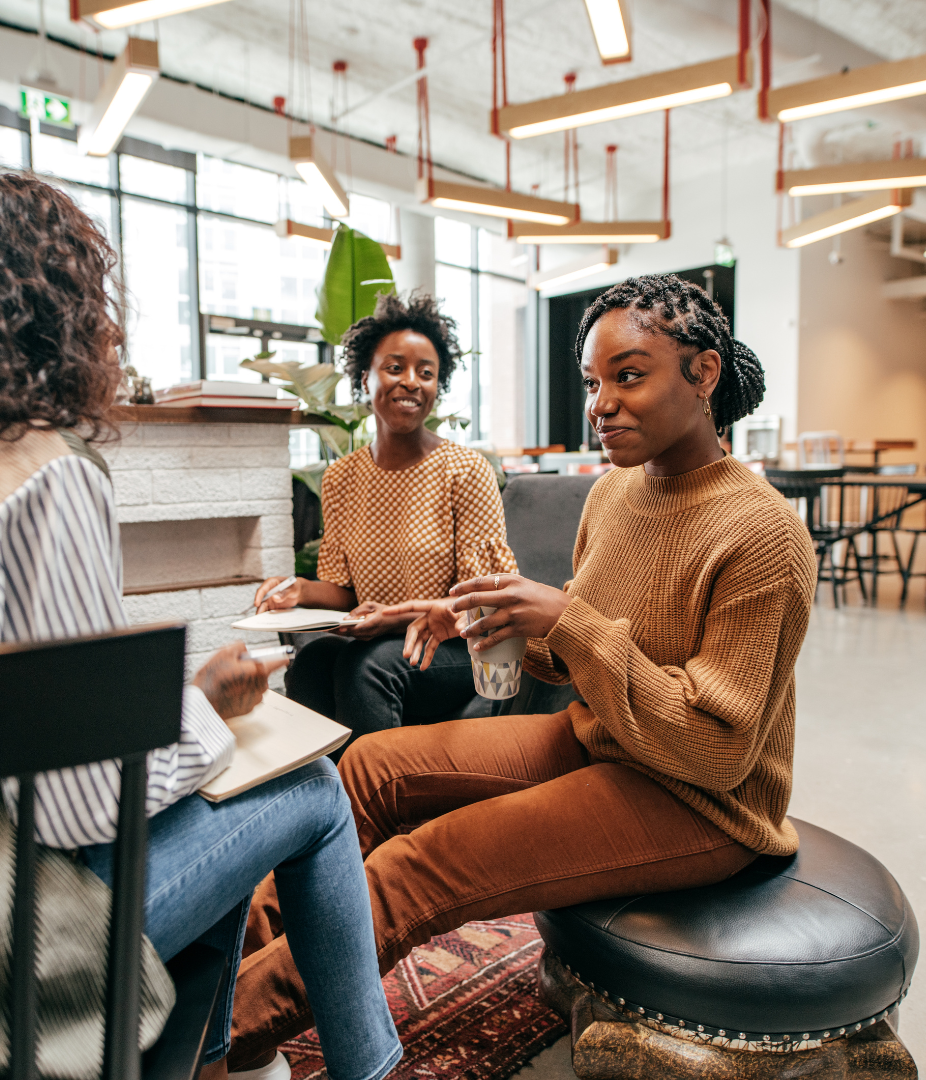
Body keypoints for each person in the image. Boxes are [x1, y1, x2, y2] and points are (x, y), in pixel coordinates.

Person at [0, 172, 401, 1080]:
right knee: (305, 794)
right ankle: (366, 1069)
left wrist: (184, 708)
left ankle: (216, 1063)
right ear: (52, 309)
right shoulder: (32, 473)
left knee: (214, 801)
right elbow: (78, 807)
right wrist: (209, 720)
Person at [226, 273, 817, 1067]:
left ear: (703, 374)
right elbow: (565, 646)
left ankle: (201, 1035)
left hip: (702, 802)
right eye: (593, 382)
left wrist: (568, 622)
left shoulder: (763, 533)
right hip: (603, 737)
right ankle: (206, 964)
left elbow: (719, 749)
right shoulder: (612, 496)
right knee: (364, 768)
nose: (600, 403)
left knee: (417, 865)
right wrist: (483, 619)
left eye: (629, 376)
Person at [254, 292, 517, 748]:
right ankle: (328, 801)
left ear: (438, 386)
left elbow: (486, 601)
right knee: (313, 662)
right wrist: (296, 589)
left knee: (367, 666)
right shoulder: (341, 477)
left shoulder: (465, 470)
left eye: (426, 372)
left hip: (456, 645)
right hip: (381, 640)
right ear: (365, 378)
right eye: (395, 368)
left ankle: (380, 812)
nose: (411, 382)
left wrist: (394, 618)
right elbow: (343, 592)